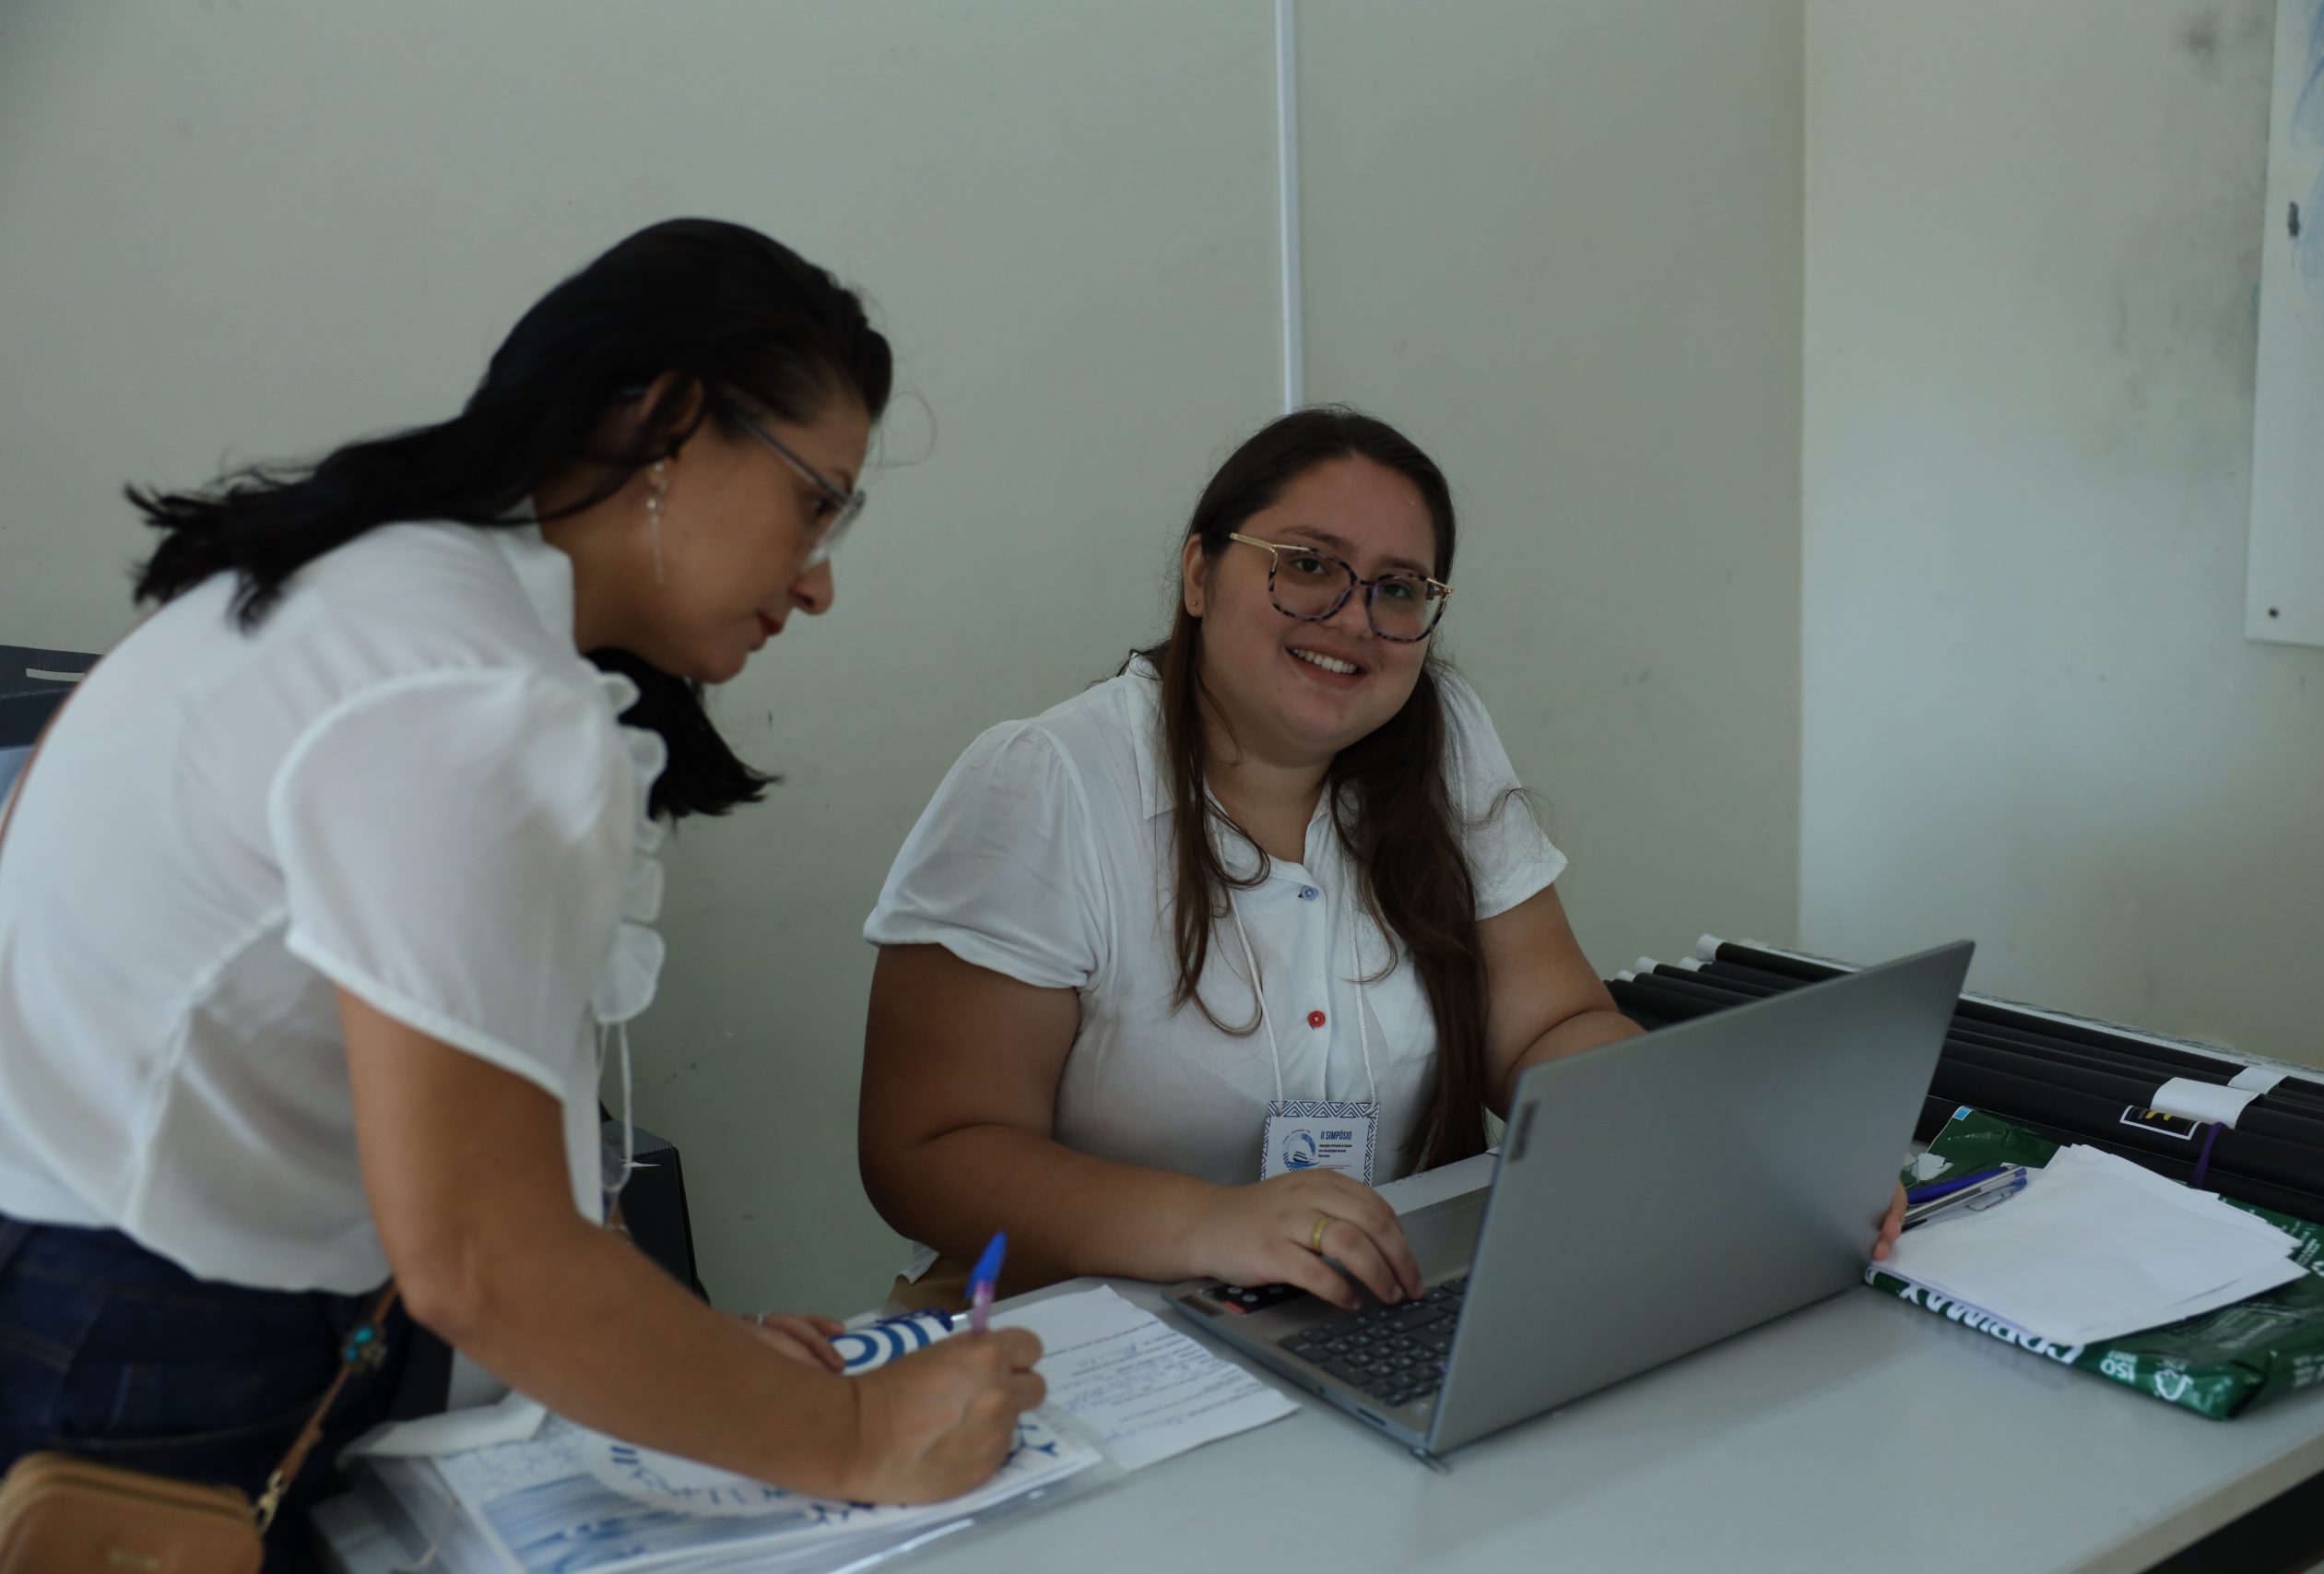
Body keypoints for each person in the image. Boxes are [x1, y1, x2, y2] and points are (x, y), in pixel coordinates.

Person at [0, 219, 1041, 1569]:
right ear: (664, 425)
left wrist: (688, 1365)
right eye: (815, 501)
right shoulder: (471, 689)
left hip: (106, 1300)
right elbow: (483, 1260)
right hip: (148, 1351)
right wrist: (854, 1433)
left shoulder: (375, 589)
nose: (820, 578)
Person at [859, 408, 1906, 1313]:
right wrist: (1213, 1224)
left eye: (1399, 589)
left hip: (1359, 1307)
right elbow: (930, 1151)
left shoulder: (1440, 737)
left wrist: (1713, 1141)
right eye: (1309, 566)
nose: (1354, 619)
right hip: (1078, 1330)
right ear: (1199, 573)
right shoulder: (1046, 780)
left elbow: (1547, 1026)